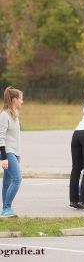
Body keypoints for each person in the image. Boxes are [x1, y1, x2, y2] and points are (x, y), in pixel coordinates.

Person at [0, 86, 24, 218]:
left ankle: (5, 210)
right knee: (17, 179)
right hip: (7, 153)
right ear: (14, 99)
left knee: (7, 182)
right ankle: (7, 207)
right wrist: (3, 158)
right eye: (21, 99)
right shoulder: (4, 115)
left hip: (15, 152)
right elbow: (1, 137)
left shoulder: (15, 114)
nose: (22, 101)